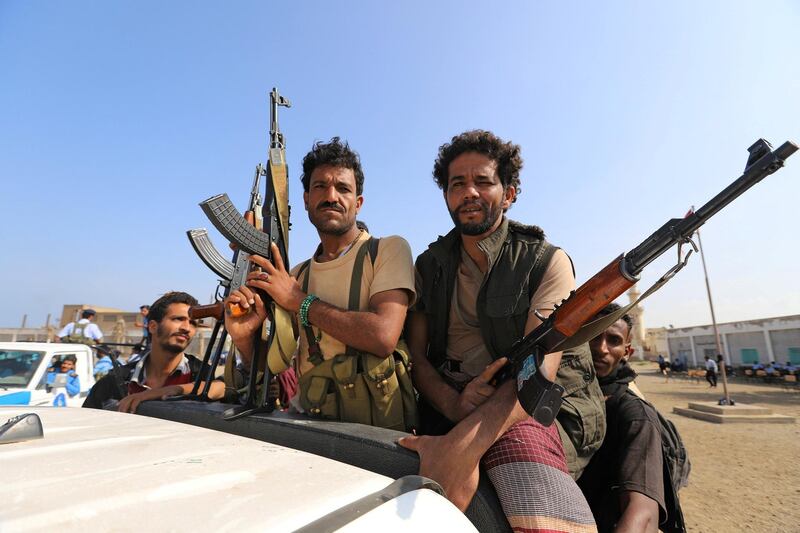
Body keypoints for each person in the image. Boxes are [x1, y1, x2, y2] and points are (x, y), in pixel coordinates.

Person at [398, 130, 600, 531]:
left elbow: (538, 370)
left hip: (525, 405)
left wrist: (464, 443)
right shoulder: (429, 265)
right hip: (447, 399)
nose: (469, 192)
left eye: (483, 181)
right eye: (457, 184)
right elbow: (417, 357)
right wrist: (455, 406)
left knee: (540, 515)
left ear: (508, 194)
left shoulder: (547, 262)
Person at [224, 137, 417, 430]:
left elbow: (382, 336)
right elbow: (273, 365)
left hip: (374, 429)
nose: (331, 196)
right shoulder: (297, 275)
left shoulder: (387, 251)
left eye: (343, 188)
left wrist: (300, 302)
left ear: (358, 202)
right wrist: (244, 339)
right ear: (305, 200)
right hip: (310, 422)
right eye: (320, 187)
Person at [578, 303, 674, 532]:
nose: (601, 348)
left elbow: (643, 513)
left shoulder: (636, 416)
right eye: (593, 336)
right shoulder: (562, 397)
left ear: (627, 352)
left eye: (613, 340)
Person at [83, 292, 221, 412]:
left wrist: (169, 391)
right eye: (178, 319)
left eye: (193, 323)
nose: (186, 328)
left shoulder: (203, 375)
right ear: (153, 326)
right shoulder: (115, 381)